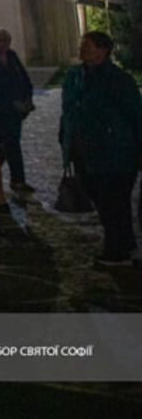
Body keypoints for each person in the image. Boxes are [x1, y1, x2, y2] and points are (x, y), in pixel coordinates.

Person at [59, 30, 142, 266]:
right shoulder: (75, 75)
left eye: (88, 46)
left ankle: (117, 249)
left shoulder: (118, 79)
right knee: (98, 197)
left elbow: (135, 114)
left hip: (115, 152)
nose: (82, 50)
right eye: (81, 45)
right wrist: (64, 137)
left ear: (103, 50)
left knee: (115, 200)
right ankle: (122, 241)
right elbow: (68, 111)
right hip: (82, 150)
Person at [0, 27, 35, 196]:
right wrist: (11, 102)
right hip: (1, 110)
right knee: (10, 143)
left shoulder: (12, 57)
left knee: (8, 143)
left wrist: (27, 97)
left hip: (17, 110)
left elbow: (24, 78)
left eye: (5, 41)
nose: (1, 45)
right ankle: (17, 180)